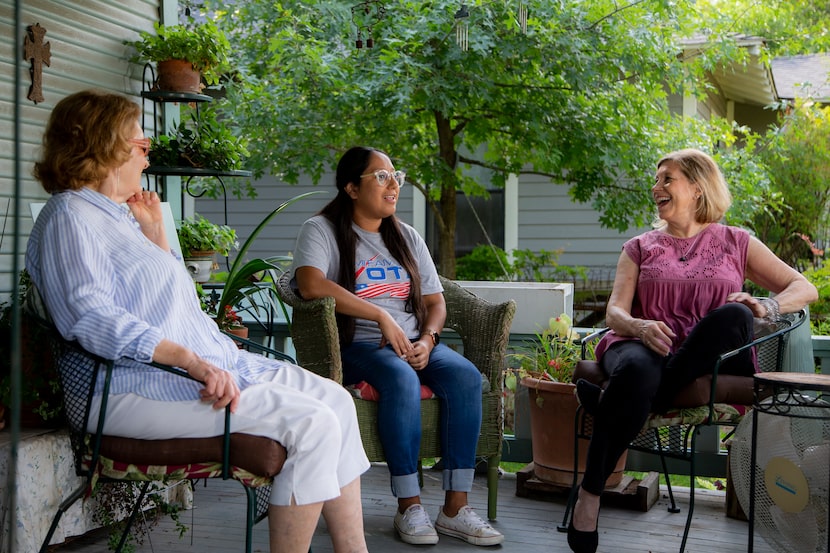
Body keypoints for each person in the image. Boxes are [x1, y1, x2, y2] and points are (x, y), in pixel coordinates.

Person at [25, 89, 371, 553]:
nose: (147, 161)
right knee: (313, 423)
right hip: (128, 387)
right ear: (104, 146)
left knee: (338, 403)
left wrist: (157, 235)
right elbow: (87, 316)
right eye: (142, 147)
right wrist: (190, 361)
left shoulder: (120, 217)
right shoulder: (70, 215)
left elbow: (175, 307)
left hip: (189, 369)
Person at [567, 148, 818, 553]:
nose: (656, 187)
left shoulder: (736, 241)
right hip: (642, 344)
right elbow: (614, 311)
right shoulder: (640, 247)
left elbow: (805, 288)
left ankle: (607, 411)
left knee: (734, 313)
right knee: (637, 371)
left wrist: (768, 306)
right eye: (656, 179)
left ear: (697, 187)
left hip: (707, 352)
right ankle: (591, 495)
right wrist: (640, 325)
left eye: (667, 178)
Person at [289, 146, 504, 547]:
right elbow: (310, 283)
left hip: (412, 342)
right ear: (352, 188)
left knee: (465, 377)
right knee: (401, 379)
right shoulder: (321, 230)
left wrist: (429, 339)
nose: (394, 185)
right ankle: (409, 506)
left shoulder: (406, 237)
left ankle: (455, 507)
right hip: (358, 347)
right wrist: (380, 316)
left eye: (395, 176)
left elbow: (435, 303)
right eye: (381, 176)